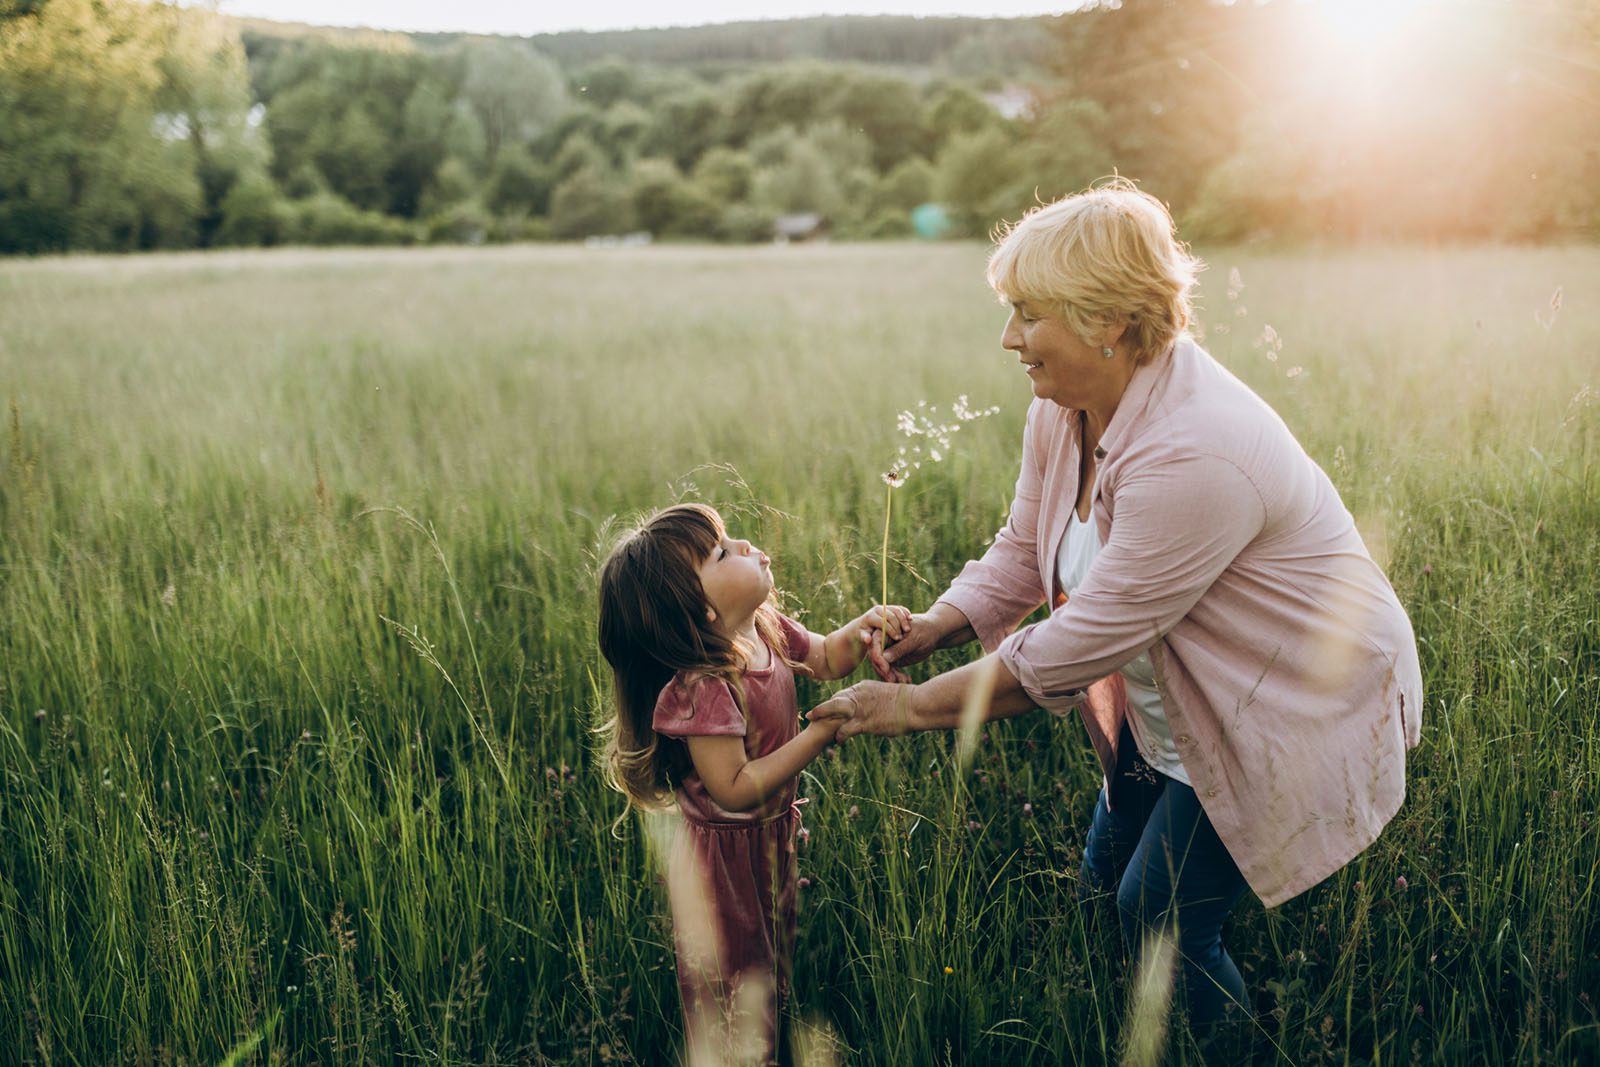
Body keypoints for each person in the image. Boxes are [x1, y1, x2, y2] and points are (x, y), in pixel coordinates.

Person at [816, 180, 1423, 1045]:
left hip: (1287, 694)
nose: (1009, 337)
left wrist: (908, 707)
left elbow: (1070, 649)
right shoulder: (1062, 410)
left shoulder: (1196, 451)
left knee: (1161, 913)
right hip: (1181, 690)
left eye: (1029, 313)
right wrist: (935, 627)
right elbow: (1026, 546)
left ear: (1105, 321)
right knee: (1105, 876)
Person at [596, 502, 910, 1064]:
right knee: (734, 980)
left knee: (771, 955)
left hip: (770, 835)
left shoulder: (763, 628)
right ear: (703, 613)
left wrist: (861, 631)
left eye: (727, 538)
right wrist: (819, 734)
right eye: (720, 552)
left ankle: (763, 1038)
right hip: (724, 860)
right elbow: (735, 788)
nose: (742, 545)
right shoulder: (707, 687)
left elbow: (823, 655)